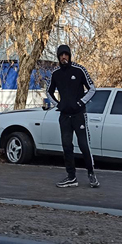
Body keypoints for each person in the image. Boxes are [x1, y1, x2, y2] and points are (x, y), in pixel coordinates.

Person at [47, 44, 99, 188]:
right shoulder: (55, 73)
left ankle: (91, 174)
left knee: (83, 145)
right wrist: (58, 105)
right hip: (64, 116)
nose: (64, 57)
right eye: (61, 55)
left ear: (69, 56)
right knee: (66, 146)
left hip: (79, 115)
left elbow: (92, 88)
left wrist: (80, 102)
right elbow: (48, 92)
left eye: (66, 54)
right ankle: (71, 177)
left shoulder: (79, 70)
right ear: (58, 57)